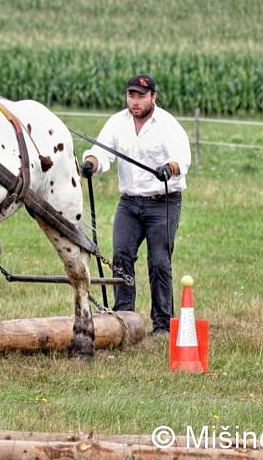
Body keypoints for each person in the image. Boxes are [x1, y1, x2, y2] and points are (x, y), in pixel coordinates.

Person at [80, 74, 191, 335]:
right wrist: (91, 164)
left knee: (159, 261)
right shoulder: (117, 123)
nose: (135, 101)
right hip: (129, 204)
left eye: (141, 95)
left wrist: (169, 168)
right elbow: (101, 153)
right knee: (121, 257)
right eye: (131, 95)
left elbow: (182, 160)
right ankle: (123, 318)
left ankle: (163, 325)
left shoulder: (167, 125)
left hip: (162, 202)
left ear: (153, 96)